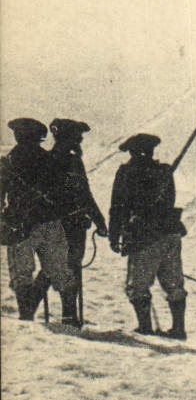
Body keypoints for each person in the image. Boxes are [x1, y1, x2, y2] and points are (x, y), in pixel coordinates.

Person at [109, 133, 186, 338]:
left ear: (133, 152)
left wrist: (114, 234)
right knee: (173, 281)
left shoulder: (127, 172)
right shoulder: (164, 171)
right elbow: (169, 201)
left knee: (138, 285)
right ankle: (179, 328)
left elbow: (117, 206)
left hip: (144, 236)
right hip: (170, 232)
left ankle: (145, 328)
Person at [3, 117, 78, 324]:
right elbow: (66, 195)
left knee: (22, 274)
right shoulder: (51, 161)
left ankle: (26, 318)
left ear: (18, 136)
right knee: (61, 272)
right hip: (51, 223)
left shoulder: (9, 162)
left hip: (20, 226)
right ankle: (70, 318)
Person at [46, 118, 107, 325]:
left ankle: (67, 316)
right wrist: (99, 221)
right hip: (62, 225)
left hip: (72, 224)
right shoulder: (61, 161)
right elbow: (83, 195)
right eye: (76, 138)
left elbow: (85, 195)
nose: (79, 141)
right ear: (66, 138)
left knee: (64, 268)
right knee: (63, 268)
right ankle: (67, 317)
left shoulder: (63, 160)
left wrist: (99, 220)